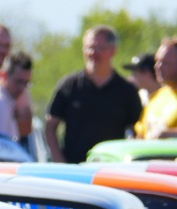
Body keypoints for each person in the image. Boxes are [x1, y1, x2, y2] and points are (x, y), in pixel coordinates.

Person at [46, 25, 144, 163]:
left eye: (100, 48)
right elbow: (50, 126)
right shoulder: (69, 85)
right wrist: (60, 161)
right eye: (89, 48)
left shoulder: (127, 90)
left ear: (113, 51)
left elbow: (138, 131)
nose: (93, 53)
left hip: (111, 171)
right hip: (74, 169)